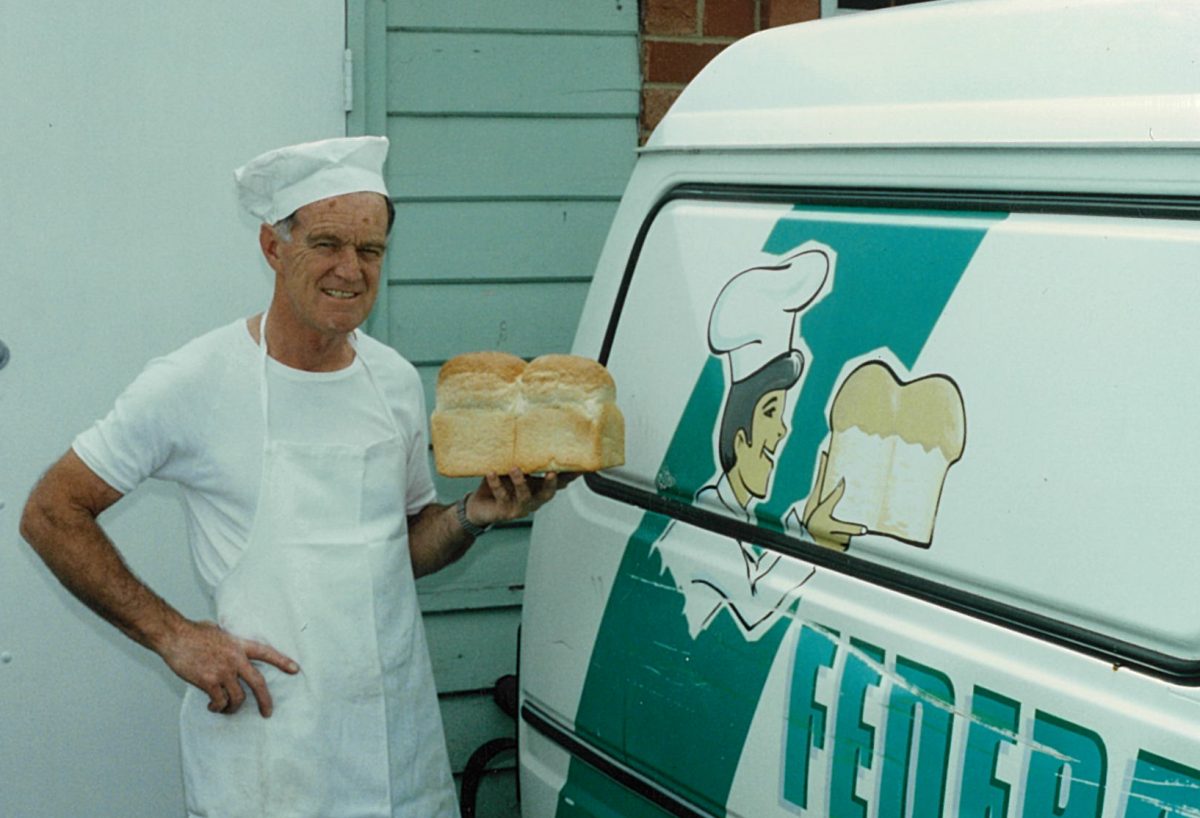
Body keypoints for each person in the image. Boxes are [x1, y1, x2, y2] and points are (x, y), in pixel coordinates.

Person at [19, 136, 569, 817]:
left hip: (395, 747)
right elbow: (51, 511)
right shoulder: (196, 380)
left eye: (370, 250)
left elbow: (399, 549)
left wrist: (472, 515)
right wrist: (173, 635)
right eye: (326, 244)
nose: (350, 269)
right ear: (272, 247)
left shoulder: (393, 381)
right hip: (268, 752)